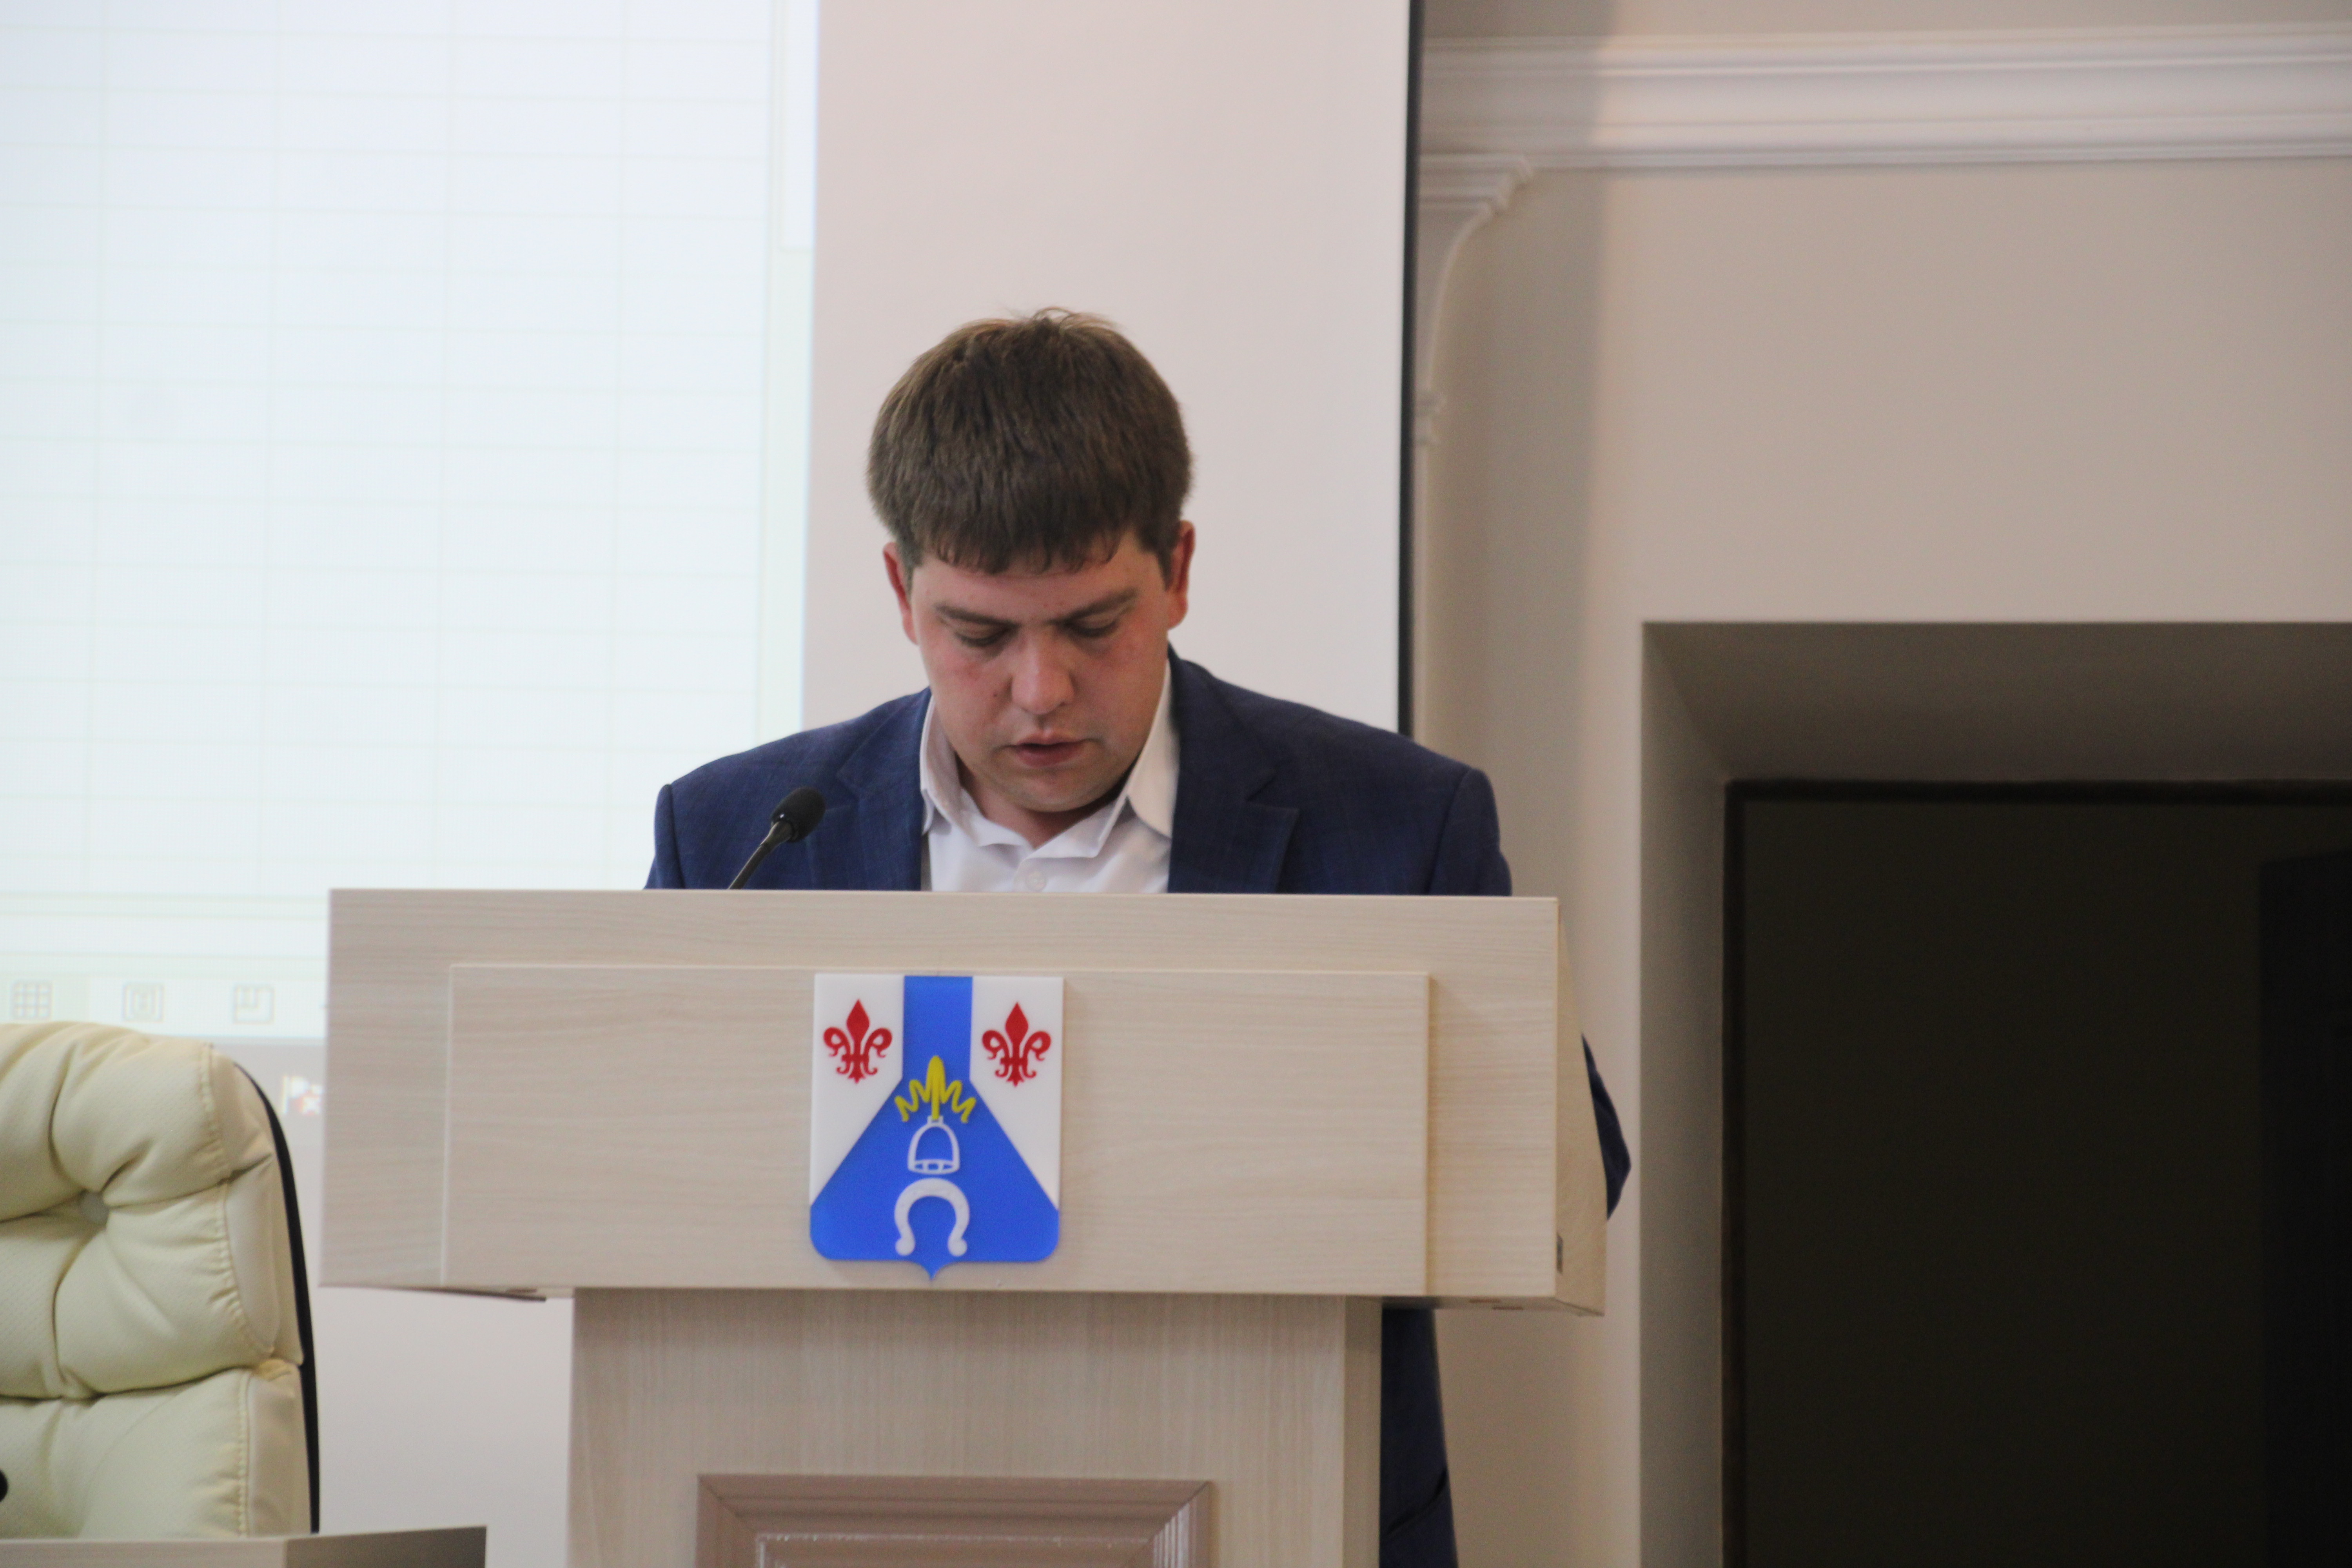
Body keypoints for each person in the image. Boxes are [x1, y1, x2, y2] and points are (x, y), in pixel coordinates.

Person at [648, 309, 1628, 1568]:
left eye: (1093, 625)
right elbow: (648, 1177)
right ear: (901, 594)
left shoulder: (1394, 822)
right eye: (981, 635)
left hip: (1283, 1512)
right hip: (831, 1505)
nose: (1040, 691)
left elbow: (1565, 1182)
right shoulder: (739, 834)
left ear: (1178, 570)